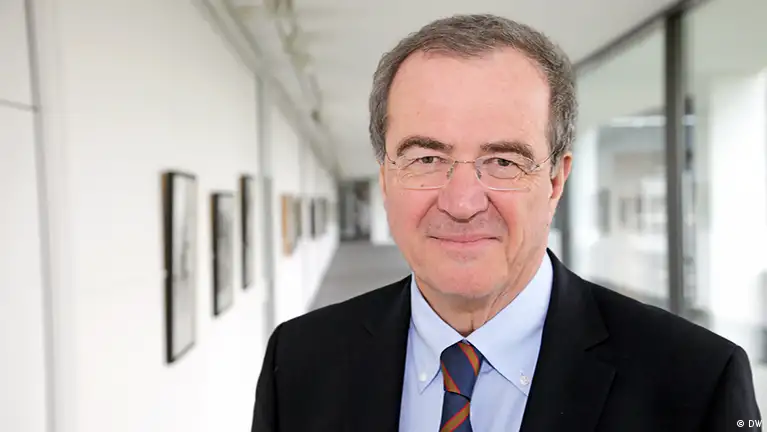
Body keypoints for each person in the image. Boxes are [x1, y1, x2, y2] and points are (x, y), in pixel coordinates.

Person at [251, 14, 760, 432]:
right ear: (386, 178)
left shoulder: (697, 384)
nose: (462, 202)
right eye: (426, 158)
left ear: (555, 181)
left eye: (503, 161)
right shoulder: (297, 363)